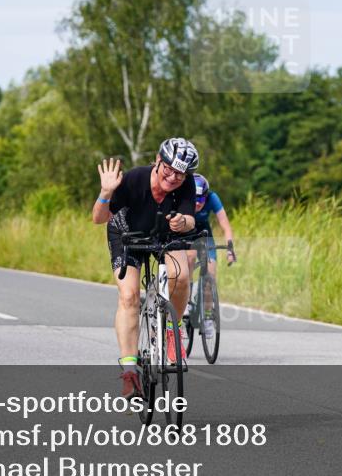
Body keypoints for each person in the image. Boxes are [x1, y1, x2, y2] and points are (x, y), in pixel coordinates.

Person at [92, 137, 200, 399]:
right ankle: (130, 370)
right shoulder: (134, 179)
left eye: (180, 173)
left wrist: (182, 223)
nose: (173, 177)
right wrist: (106, 193)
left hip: (163, 234)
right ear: (158, 160)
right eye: (169, 169)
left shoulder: (185, 186)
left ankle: (173, 331)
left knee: (181, 276)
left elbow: (189, 219)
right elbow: (98, 218)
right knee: (129, 296)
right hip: (126, 235)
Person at [186, 174, 236, 338]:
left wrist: (230, 249)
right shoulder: (184, 196)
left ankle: (207, 316)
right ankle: (186, 301)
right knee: (190, 258)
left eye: (202, 200)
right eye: (195, 200)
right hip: (186, 230)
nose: (198, 204)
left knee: (210, 273)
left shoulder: (213, 198)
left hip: (204, 232)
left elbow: (225, 224)